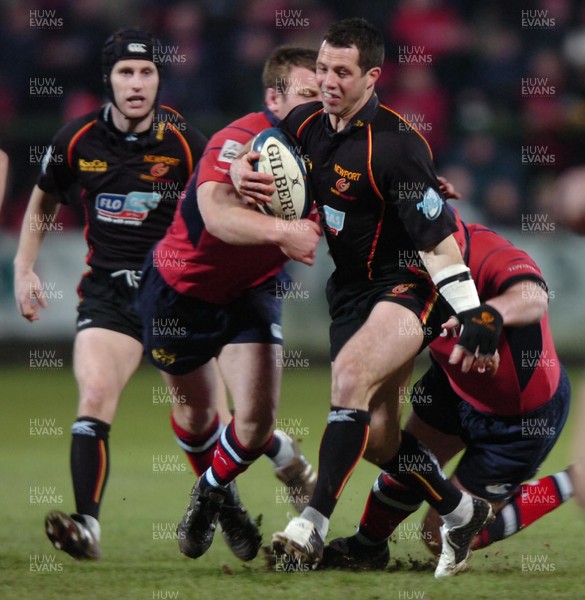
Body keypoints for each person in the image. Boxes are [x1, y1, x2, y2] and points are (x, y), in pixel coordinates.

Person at [230, 18, 501, 576]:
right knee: (378, 440)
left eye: (342, 72)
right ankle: (461, 510)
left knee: (349, 376)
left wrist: (472, 310)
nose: (328, 80)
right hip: (351, 293)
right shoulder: (305, 123)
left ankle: (311, 525)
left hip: (409, 285)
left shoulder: (399, 147)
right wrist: (240, 169)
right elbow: (257, 148)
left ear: (372, 77)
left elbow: (439, 242)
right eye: (323, 68)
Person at [13, 28, 208, 560]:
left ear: (159, 80)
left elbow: (217, 209)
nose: (137, 83)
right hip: (109, 297)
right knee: (95, 397)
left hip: (175, 299)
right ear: (109, 80)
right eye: (126, 72)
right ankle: (88, 527)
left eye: (147, 72)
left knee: (198, 419)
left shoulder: (186, 143)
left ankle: (225, 501)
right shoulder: (75, 140)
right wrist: (24, 267)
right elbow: (43, 199)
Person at [137, 47, 322, 562]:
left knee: (256, 420)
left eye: (323, 95)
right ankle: (231, 504)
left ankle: (209, 495)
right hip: (180, 292)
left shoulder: (330, 148)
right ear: (273, 97)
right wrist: (282, 229)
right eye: (306, 95)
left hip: (252, 292)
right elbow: (217, 216)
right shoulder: (239, 140)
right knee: (198, 418)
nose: (317, 106)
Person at [321, 209, 573, 570]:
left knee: (436, 536)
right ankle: (367, 546)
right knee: (406, 466)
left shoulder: (484, 249)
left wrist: (488, 315)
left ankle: (572, 481)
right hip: (452, 388)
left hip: (520, 420)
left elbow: (532, 295)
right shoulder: (403, 270)